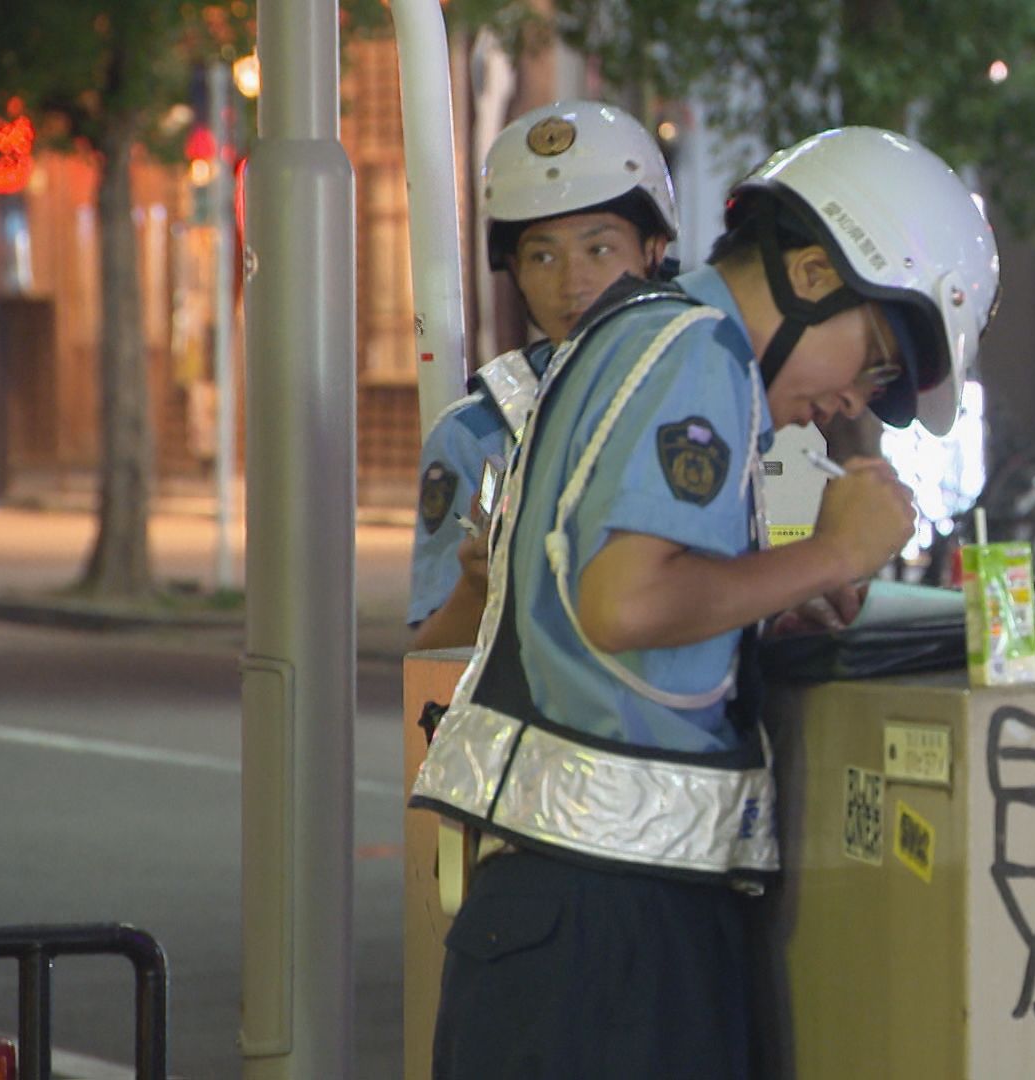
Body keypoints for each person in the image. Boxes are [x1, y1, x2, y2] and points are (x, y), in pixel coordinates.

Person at [411, 125, 1001, 1078]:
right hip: (600, 933)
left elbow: (613, 603)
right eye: (875, 359)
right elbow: (625, 603)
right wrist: (833, 553)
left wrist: (758, 605)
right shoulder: (697, 352)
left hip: (585, 917)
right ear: (813, 274)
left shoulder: (654, 336)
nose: (857, 399)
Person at [409, 100, 678, 650]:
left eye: (599, 248)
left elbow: (785, 546)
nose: (573, 283)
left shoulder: (721, 392)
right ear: (514, 270)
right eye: (542, 257)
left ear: (654, 250)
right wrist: (478, 586)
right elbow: (431, 660)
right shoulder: (478, 436)